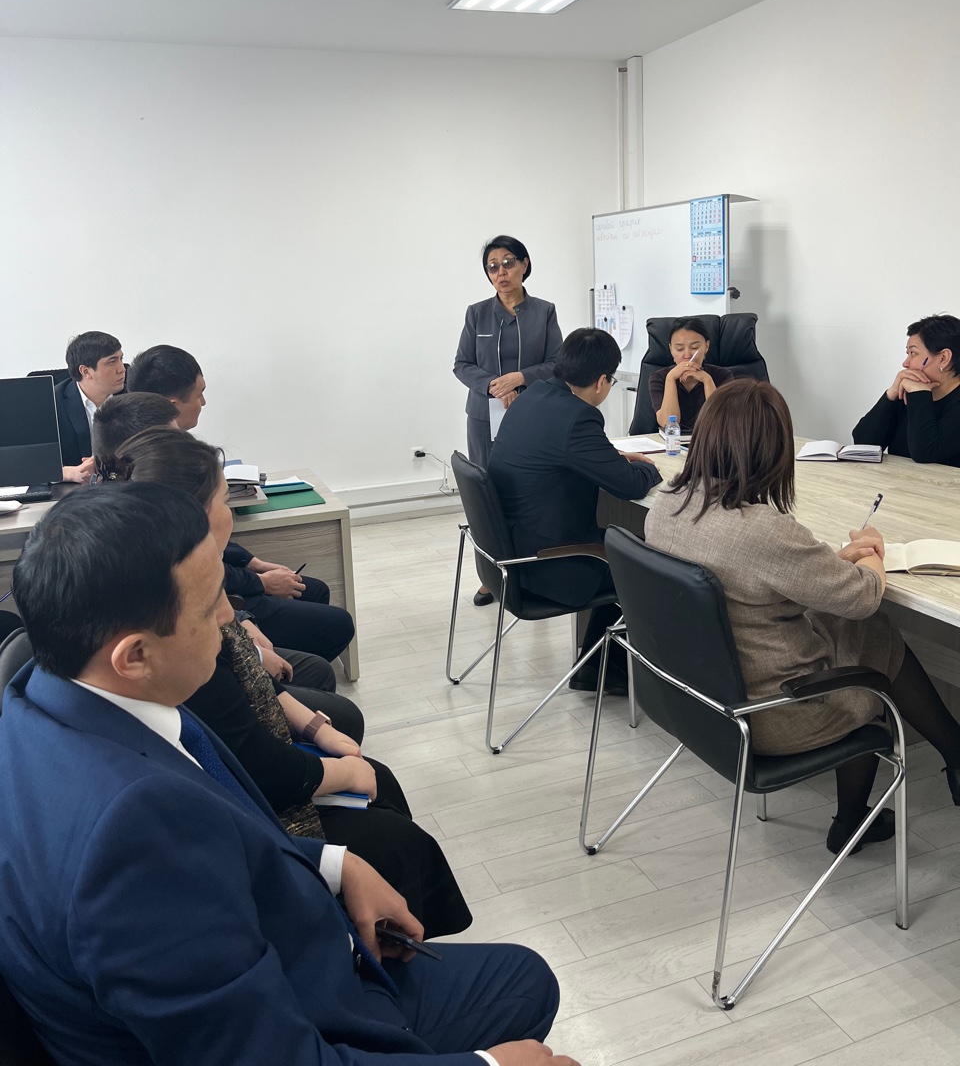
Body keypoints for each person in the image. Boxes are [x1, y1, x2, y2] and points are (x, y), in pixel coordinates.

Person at [0, 483, 567, 1066]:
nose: (230, 617)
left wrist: (333, 864)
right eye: (210, 605)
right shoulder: (132, 832)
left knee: (521, 976)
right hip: (302, 1010)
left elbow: (221, 838)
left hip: (280, 944)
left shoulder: (47, 693)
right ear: (135, 655)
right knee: (526, 988)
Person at [104, 426, 470, 937]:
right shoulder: (173, 630)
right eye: (223, 500)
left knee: (373, 776)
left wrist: (316, 730)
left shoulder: (183, 583)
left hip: (250, 777)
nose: (226, 618)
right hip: (251, 810)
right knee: (395, 835)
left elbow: (244, 672)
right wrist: (341, 773)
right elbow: (252, 763)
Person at [644, 378, 960, 853]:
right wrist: (872, 551)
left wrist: (832, 560)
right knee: (871, 647)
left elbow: (757, 577)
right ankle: (855, 819)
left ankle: (954, 751)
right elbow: (864, 596)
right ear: (774, 451)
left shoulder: (669, 502)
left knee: (863, 629)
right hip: (770, 714)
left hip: (696, 698)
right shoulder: (762, 530)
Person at [93, 394, 362, 738]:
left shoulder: (155, 547)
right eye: (223, 501)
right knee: (334, 691)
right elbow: (235, 725)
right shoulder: (171, 600)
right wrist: (255, 649)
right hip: (228, 703)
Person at [128, 342, 355, 661]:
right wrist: (260, 582)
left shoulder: (157, 446)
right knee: (335, 623)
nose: (204, 403)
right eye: (199, 394)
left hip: (218, 581)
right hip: (208, 597)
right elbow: (194, 563)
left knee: (315, 591)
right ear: (172, 404)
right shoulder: (160, 468)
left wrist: (252, 562)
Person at [488, 328, 661, 693]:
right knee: (650, 563)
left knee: (627, 545)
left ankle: (598, 667)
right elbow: (630, 486)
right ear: (601, 381)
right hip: (549, 564)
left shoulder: (534, 395)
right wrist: (650, 468)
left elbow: (560, 452)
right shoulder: (578, 417)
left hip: (507, 556)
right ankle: (607, 670)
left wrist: (609, 458)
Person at [454, 236, 562, 605]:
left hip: (531, 414)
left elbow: (558, 363)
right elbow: (462, 365)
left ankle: (530, 569)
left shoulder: (544, 311)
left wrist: (520, 378)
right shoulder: (477, 313)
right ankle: (490, 576)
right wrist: (494, 386)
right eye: (493, 266)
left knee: (531, 492)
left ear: (524, 265)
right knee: (486, 495)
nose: (501, 272)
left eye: (508, 262)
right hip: (484, 417)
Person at [852, 313, 960, 467]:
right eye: (907, 354)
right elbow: (863, 443)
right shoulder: (908, 391)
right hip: (896, 480)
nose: (905, 363)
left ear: (943, 358)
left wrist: (920, 394)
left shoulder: (918, 393)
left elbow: (926, 454)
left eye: (913, 353)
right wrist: (891, 394)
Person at [55, 330, 126, 482]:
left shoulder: (132, 397)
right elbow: (29, 462)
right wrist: (66, 473)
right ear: (86, 371)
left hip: (121, 485)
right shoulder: (53, 403)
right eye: (112, 362)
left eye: (121, 359)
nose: (122, 369)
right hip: (71, 489)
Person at [648, 316, 734, 432]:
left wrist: (707, 380)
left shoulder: (723, 375)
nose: (687, 355)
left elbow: (721, 421)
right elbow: (667, 423)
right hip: (673, 441)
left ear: (706, 346)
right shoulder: (659, 378)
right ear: (671, 350)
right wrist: (670, 378)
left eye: (694, 347)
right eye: (679, 349)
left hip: (710, 440)